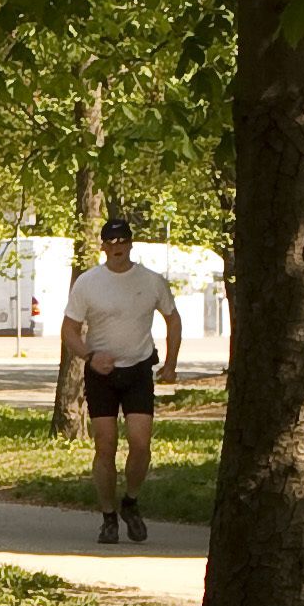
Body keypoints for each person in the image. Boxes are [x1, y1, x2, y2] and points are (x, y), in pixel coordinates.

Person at [62, 218, 183, 544]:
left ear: (131, 244)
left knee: (141, 444)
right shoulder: (88, 283)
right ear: (103, 246)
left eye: (123, 241)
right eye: (111, 242)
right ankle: (108, 516)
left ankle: (130, 501)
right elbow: (69, 331)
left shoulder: (151, 281)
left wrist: (170, 363)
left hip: (139, 369)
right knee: (106, 444)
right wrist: (89, 356)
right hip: (101, 372)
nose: (117, 247)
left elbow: (173, 319)